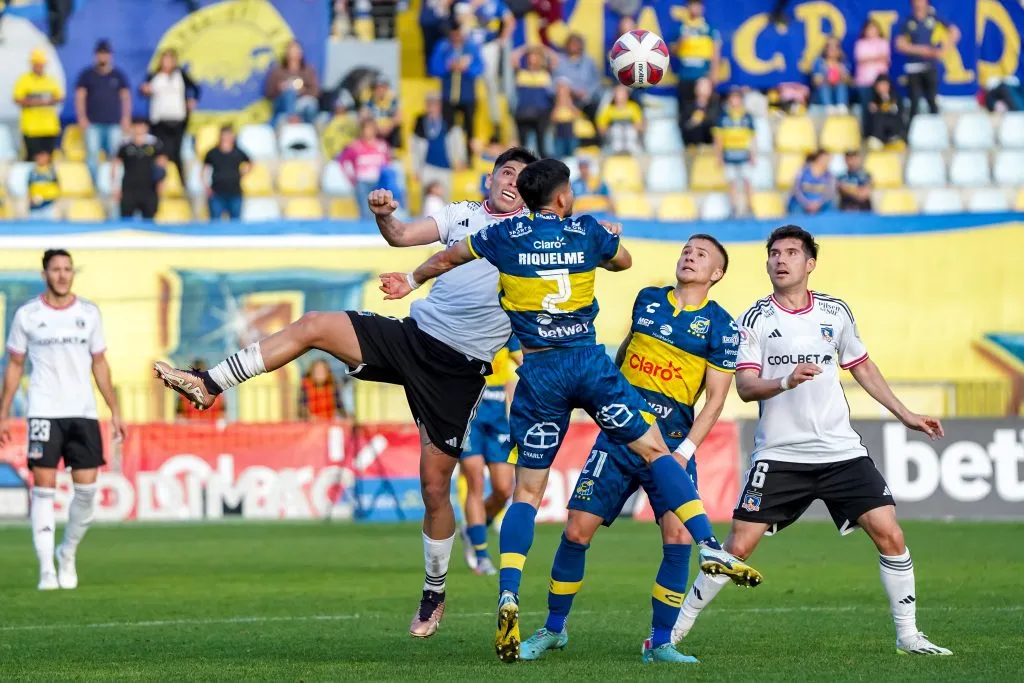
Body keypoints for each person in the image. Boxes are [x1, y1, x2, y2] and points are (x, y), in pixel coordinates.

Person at [376, 158, 761, 663]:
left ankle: (509, 593)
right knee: (655, 448)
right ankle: (709, 543)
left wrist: (411, 279)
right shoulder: (585, 231)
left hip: (539, 373)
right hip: (587, 362)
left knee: (526, 493)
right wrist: (606, 238)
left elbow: (446, 259)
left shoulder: (504, 234)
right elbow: (622, 260)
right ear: (561, 197)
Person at [154, 147, 539, 642]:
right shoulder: (460, 214)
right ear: (490, 176)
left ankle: (435, 590)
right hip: (413, 338)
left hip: (458, 371)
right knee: (314, 324)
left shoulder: (531, 238)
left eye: (522, 178)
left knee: (434, 488)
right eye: (506, 171)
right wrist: (385, 216)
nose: (512, 181)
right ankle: (208, 385)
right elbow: (401, 237)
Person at [672, 225, 952, 657]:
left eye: (790, 253)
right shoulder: (754, 319)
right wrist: (785, 379)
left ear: (809, 263)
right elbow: (746, 387)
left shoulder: (835, 313)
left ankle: (909, 636)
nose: (780, 260)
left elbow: (862, 366)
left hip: (841, 452)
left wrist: (906, 415)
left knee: (890, 533)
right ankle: (671, 635)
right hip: (780, 455)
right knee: (737, 548)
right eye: (773, 254)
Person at [519, 234, 743, 664]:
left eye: (701, 255)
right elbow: (623, 355)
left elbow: (715, 399)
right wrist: (606, 405)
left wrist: (686, 452)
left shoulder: (721, 326)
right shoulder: (648, 299)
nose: (689, 256)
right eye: (686, 250)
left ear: (716, 274)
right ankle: (553, 629)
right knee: (576, 530)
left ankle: (660, 643)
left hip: (671, 443)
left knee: (677, 536)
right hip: (621, 433)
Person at [0, 249, 126, 591]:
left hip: (82, 412)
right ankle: (46, 570)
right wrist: (3, 412)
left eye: (67, 269)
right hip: (43, 410)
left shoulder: (88, 313)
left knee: (87, 491)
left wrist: (114, 410)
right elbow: (14, 365)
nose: (62, 275)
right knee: (44, 490)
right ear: (45, 275)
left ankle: (66, 551)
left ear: (73, 274)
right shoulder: (28, 315)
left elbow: (99, 362)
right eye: (55, 269)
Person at [458, 337, 521, 576]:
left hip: (497, 416)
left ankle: (473, 530)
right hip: (468, 413)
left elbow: (524, 361)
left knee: (504, 489)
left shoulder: (507, 330)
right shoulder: (463, 325)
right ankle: (481, 555)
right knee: (475, 480)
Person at [429, 21, 484, 163]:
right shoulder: (443, 47)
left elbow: (480, 67)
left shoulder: (472, 47)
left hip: (467, 96)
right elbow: (434, 67)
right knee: (449, 129)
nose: (456, 37)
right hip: (448, 96)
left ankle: (469, 159)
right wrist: (448, 66)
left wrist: (466, 68)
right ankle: (452, 158)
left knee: (469, 129)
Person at [75, 39, 131, 180]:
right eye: (100, 54)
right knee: (92, 154)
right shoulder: (87, 75)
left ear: (110, 55)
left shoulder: (118, 75)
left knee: (115, 155)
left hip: (114, 123)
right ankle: (97, 184)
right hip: (93, 123)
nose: (102, 57)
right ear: (95, 55)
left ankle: (112, 185)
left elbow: (126, 98)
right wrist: (81, 117)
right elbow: (80, 97)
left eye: (105, 54)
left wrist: (126, 118)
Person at [140, 48, 199, 181]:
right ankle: (159, 182)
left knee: (178, 153)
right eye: (164, 59)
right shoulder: (154, 75)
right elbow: (143, 90)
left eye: (169, 59)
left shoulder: (180, 75)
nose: (166, 63)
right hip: (159, 121)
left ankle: (183, 183)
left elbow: (195, 87)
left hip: (178, 120)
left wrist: (192, 99)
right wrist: (145, 90)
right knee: (160, 153)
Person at [895, 0, 960, 120]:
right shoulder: (908, 21)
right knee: (914, 101)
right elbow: (899, 44)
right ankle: (911, 132)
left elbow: (955, 32)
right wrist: (921, 50)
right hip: (913, 67)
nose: (918, 3)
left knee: (932, 100)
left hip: (929, 65)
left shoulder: (934, 18)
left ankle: (936, 130)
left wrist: (943, 51)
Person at [13, 48, 64, 161]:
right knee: (32, 160)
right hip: (31, 128)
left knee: (47, 160)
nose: (39, 67)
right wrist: (41, 101)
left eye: (41, 64)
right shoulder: (24, 80)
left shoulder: (50, 80)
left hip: (49, 127)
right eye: (37, 64)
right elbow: (18, 99)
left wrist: (34, 101)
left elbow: (59, 97)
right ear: (32, 64)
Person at [112, 118, 166, 220]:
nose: (139, 129)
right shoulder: (124, 145)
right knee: (126, 220)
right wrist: (115, 187)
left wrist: (161, 182)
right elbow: (116, 165)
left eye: (142, 126)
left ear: (146, 128)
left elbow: (161, 164)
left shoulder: (154, 143)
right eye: (136, 126)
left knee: (150, 221)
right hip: (129, 188)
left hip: (149, 188)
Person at [714, 87, 756, 216]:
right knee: (732, 182)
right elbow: (718, 139)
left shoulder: (747, 117)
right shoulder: (723, 117)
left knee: (747, 181)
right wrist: (719, 156)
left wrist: (753, 155)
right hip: (729, 155)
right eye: (732, 98)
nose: (734, 101)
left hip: (744, 154)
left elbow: (752, 138)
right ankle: (733, 208)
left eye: (737, 98)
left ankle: (750, 207)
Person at [672, 0, 721, 110]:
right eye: (692, 5)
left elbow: (716, 51)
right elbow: (672, 51)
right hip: (684, 75)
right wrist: (680, 41)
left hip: (703, 76)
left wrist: (714, 73)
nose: (695, 8)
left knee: (702, 109)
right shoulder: (680, 27)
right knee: (685, 109)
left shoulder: (709, 28)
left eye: (697, 5)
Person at [338, 119, 391, 220]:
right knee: (366, 213)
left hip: (380, 183)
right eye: (367, 128)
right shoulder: (355, 146)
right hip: (363, 182)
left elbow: (387, 163)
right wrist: (352, 178)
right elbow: (344, 161)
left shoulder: (382, 146)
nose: (369, 131)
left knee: (383, 214)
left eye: (371, 128)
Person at [265, 40, 320, 125]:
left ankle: (309, 130)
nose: (294, 52)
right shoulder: (277, 71)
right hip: (282, 103)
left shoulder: (308, 70)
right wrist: (280, 88)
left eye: (296, 49)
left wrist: (301, 90)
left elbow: (315, 91)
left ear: (301, 53)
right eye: (292, 50)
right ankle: (292, 119)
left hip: (302, 103)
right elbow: (269, 93)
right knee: (289, 92)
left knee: (310, 105)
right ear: (286, 52)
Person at [513, 46, 555, 157]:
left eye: (535, 59)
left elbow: (555, 59)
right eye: (530, 59)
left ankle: (543, 168)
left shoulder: (545, 73)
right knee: (523, 146)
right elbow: (513, 59)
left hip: (541, 113)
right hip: (523, 112)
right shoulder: (521, 73)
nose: (532, 62)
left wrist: (543, 49)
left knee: (541, 144)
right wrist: (524, 49)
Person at [553, 33, 603, 124]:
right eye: (571, 43)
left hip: (587, 101)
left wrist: (587, 93)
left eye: (577, 44)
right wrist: (572, 92)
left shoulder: (589, 62)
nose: (574, 46)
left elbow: (596, 81)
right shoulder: (559, 61)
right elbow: (556, 80)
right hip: (566, 100)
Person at [204, 126, 251, 221]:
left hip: (235, 193)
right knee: (215, 223)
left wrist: (243, 173)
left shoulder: (238, 152)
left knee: (236, 223)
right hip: (217, 193)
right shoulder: (212, 153)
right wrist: (206, 187)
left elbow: (250, 163)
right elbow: (204, 170)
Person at [853, 20, 891, 123]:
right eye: (869, 29)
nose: (872, 31)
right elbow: (860, 59)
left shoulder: (883, 42)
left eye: (874, 28)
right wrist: (877, 58)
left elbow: (886, 59)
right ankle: (867, 134)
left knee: (883, 107)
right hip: (864, 82)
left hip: (880, 83)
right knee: (867, 108)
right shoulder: (860, 44)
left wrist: (869, 59)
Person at [595, 85, 644, 155]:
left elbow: (639, 126)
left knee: (629, 130)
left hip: (630, 139)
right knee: (616, 129)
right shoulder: (608, 109)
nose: (621, 96)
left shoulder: (634, 107)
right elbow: (601, 129)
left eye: (623, 93)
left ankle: (631, 149)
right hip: (613, 140)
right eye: (619, 93)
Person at [788, 150, 835, 215]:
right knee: (796, 209)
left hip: (820, 205)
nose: (827, 162)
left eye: (828, 160)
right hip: (801, 204)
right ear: (818, 158)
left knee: (831, 208)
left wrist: (818, 204)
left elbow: (829, 194)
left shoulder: (829, 175)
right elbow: (796, 190)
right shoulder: (802, 171)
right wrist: (807, 203)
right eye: (825, 159)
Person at [811, 37, 851, 113]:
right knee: (825, 86)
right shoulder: (819, 62)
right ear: (825, 49)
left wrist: (840, 72)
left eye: (836, 46)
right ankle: (829, 107)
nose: (832, 49)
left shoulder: (844, 62)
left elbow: (849, 81)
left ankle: (841, 106)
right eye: (829, 46)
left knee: (841, 85)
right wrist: (826, 76)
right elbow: (816, 82)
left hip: (839, 91)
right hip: (823, 93)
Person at [866, 75, 905, 149]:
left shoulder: (896, 97)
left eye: (885, 84)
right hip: (879, 133)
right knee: (878, 115)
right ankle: (878, 139)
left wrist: (887, 103)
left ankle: (893, 138)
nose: (883, 87)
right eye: (880, 85)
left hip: (894, 130)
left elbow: (898, 113)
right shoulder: (872, 99)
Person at [680, 76, 718, 147]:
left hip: (710, 148)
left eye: (707, 86)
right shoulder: (688, 107)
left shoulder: (716, 107)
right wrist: (692, 122)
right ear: (695, 88)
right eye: (701, 86)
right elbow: (683, 127)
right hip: (692, 148)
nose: (704, 89)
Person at [27, 149, 60, 220]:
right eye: (40, 156)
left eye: (44, 156)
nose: (41, 159)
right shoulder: (33, 172)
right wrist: (31, 199)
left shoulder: (51, 172)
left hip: (48, 205)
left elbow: (56, 188)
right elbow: (29, 187)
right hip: (35, 206)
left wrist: (46, 197)